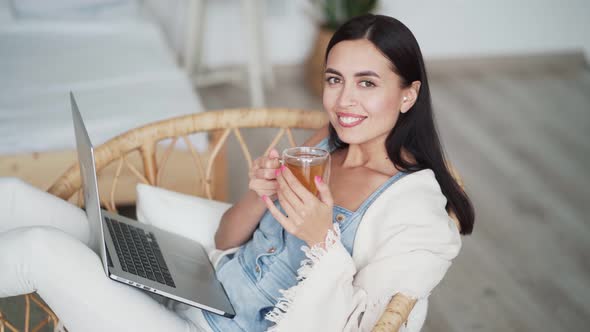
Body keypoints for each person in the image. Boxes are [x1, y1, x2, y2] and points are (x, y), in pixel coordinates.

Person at [0, 14, 474, 332]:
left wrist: (322, 239)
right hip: (199, 291)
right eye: (335, 80)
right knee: (14, 196)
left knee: (40, 250)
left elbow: (366, 327)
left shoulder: (417, 213)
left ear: (408, 94)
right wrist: (258, 194)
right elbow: (228, 240)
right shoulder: (323, 146)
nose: (344, 102)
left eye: (367, 83)